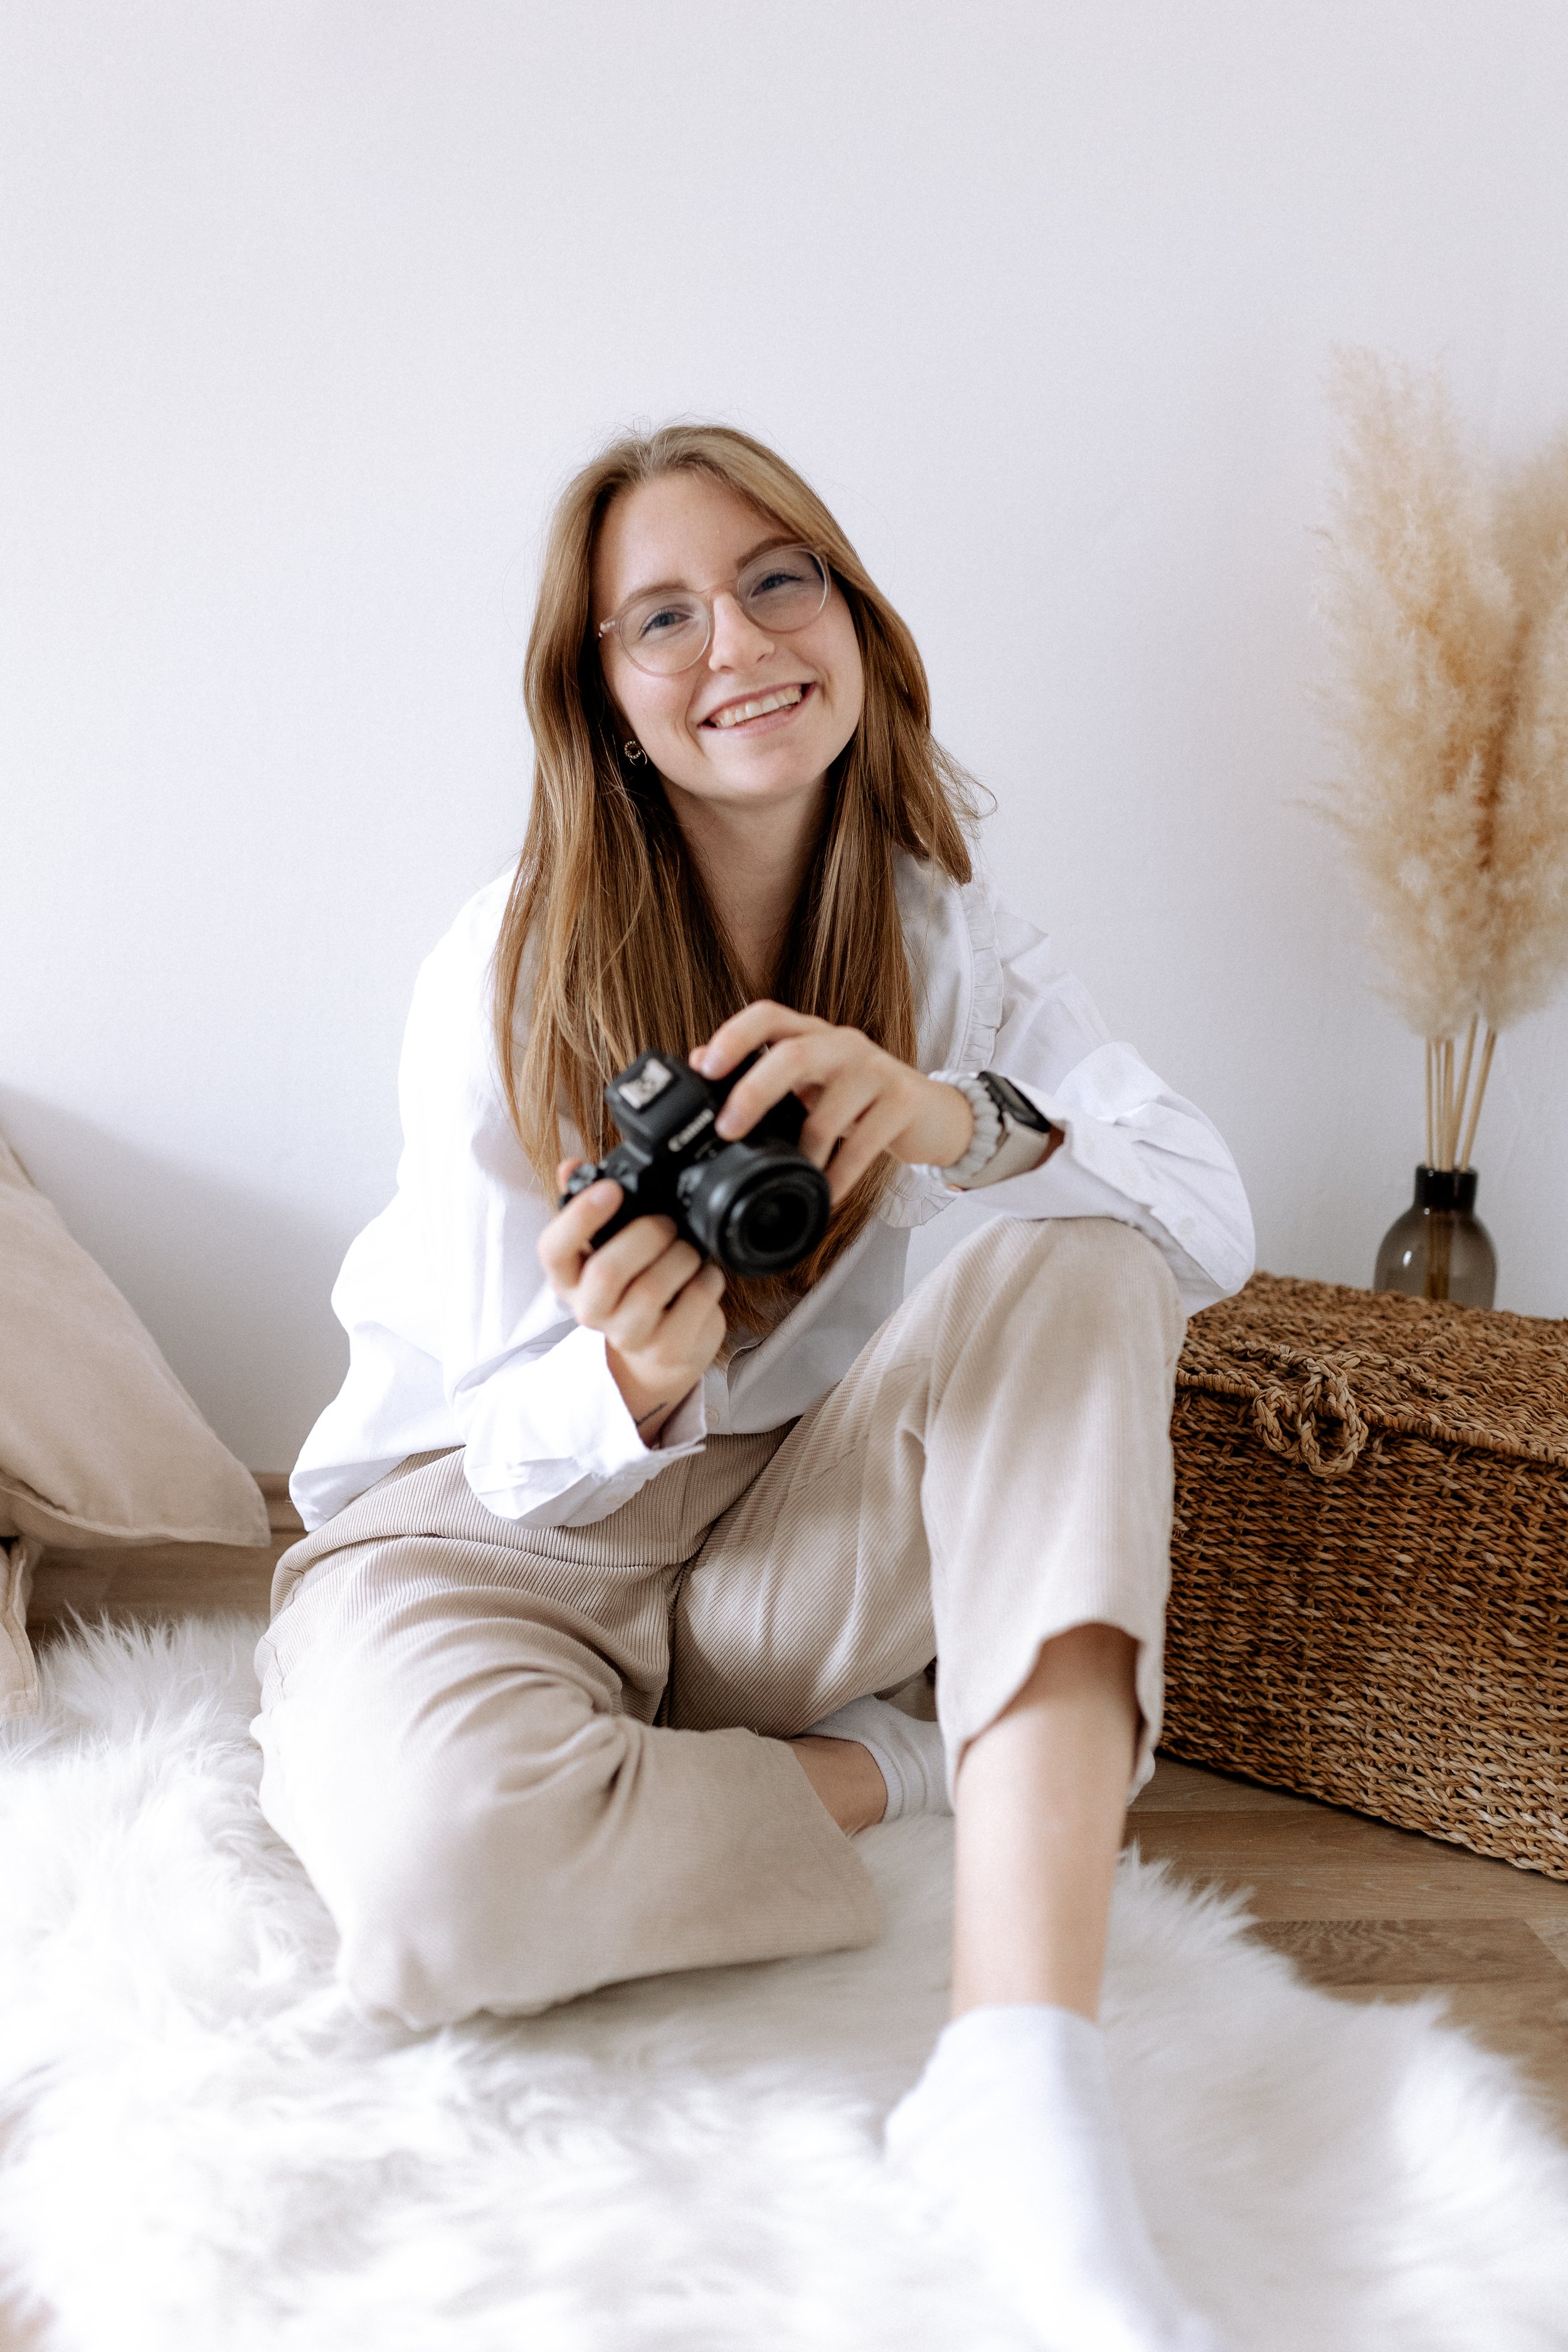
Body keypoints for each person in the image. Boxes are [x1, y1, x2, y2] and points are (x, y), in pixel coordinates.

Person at [258, 423, 1252, 2352]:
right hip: (480, 1536)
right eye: (661, 617)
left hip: (771, 1543)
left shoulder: (955, 945)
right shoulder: (509, 961)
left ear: (853, 624)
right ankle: (894, 1767)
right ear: (608, 700)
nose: (736, 641)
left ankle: (1020, 2072)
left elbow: (1208, 1224)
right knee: (444, 1891)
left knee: (1081, 1249)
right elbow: (482, 1443)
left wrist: (959, 1123)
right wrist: (628, 1378)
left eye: (777, 579)